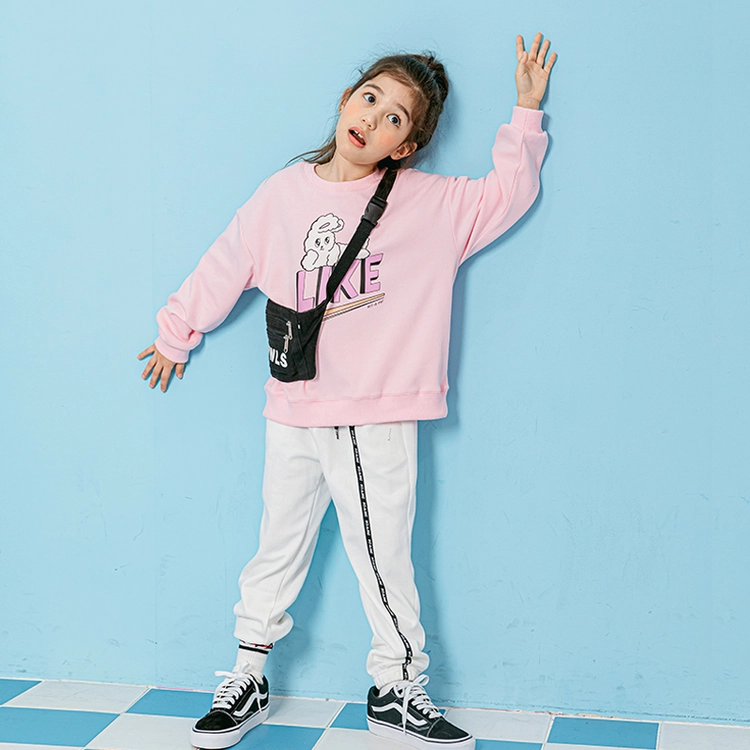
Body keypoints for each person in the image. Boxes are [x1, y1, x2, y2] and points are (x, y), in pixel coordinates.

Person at [138, 33, 557, 750]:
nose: (374, 118)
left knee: (382, 554)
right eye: (371, 98)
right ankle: (248, 673)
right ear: (345, 101)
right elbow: (227, 261)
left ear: (405, 147)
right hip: (292, 403)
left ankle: (395, 687)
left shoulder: (428, 205)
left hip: (375, 412)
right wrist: (176, 331)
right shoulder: (281, 193)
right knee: (277, 545)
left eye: (396, 118)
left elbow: (506, 195)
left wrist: (525, 112)